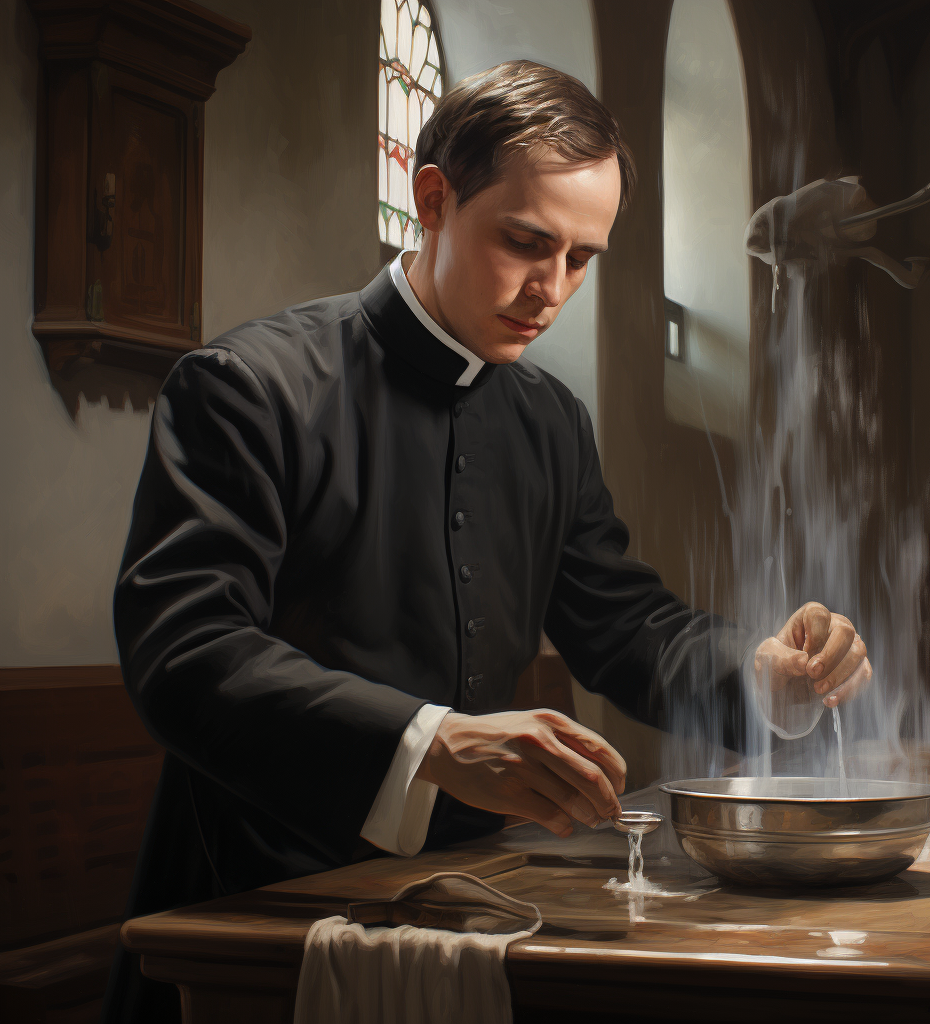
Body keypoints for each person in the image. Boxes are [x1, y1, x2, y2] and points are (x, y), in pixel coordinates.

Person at [102, 60, 872, 1023]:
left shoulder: (553, 422)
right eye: (524, 242)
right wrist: (430, 744)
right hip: (254, 913)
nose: (552, 289)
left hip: (477, 900)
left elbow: (622, 624)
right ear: (434, 198)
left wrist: (759, 674)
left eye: (583, 258)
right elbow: (185, 652)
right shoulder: (248, 386)